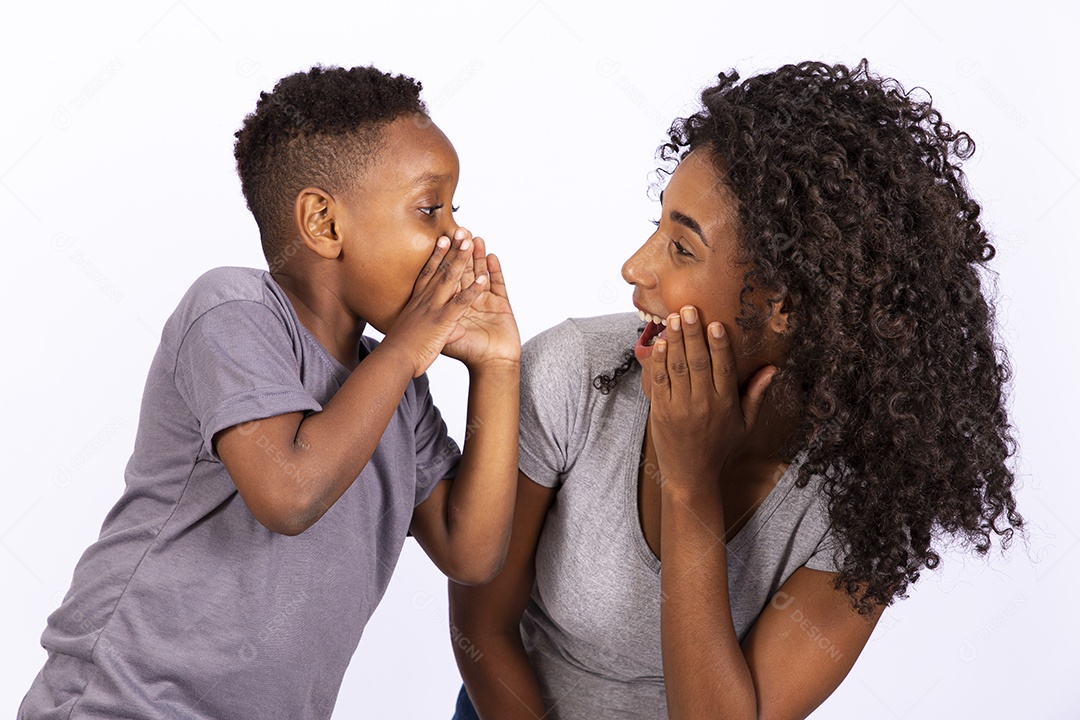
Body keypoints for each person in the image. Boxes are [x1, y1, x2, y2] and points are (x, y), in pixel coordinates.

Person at [450, 59, 1023, 720]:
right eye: (657, 226)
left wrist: (691, 484)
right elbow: (482, 631)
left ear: (786, 305)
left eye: (683, 248)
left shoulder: (871, 496)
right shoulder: (571, 373)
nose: (635, 268)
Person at [19, 65, 520, 720]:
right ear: (323, 223)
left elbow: (471, 550)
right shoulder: (232, 309)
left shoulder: (397, 391)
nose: (456, 238)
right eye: (430, 208)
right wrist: (407, 348)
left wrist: (496, 366)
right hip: (124, 702)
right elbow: (290, 492)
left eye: (456, 209)